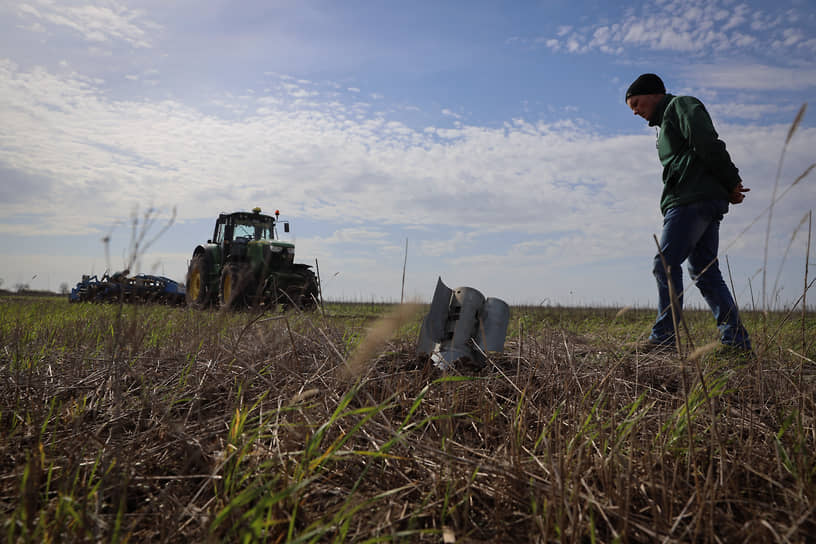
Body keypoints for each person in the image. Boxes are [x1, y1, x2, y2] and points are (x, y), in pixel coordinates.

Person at [625, 73, 751, 351]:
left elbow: (706, 141)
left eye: (636, 103)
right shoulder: (664, 126)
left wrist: (731, 180)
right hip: (699, 199)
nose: (634, 111)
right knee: (704, 272)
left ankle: (664, 339)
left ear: (654, 93)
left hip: (691, 199)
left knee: (665, 263)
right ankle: (736, 344)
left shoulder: (680, 106)